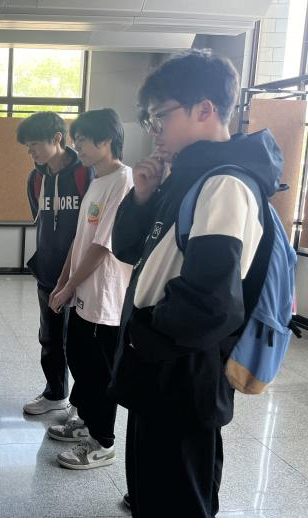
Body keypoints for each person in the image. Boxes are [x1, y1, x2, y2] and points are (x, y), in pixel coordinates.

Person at [109, 49, 283, 517]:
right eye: (150, 119)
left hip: (181, 374)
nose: (154, 129)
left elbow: (210, 304)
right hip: (161, 368)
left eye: (160, 116)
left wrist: (142, 337)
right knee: (155, 488)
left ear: (205, 109)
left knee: (178, 497)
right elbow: (128, 251)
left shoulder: (224, 185)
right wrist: (141, 196)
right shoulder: (184, 176)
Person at [46, 108, 133, 469]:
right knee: (80, 358)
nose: (77, 146)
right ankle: (85, 421)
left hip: (104, 295)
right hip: (84, 289)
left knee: (99, 371)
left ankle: (103, 442)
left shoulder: (123, 182)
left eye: (82, 139)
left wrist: (69, 287)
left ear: (106, 140)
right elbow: (80, 238)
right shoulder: (97, 179)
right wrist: (63, 282)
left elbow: (101, 247)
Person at [17, 111, 93, 415]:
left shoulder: (85, 173)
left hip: (81, 274)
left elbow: (92, 227)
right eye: (28, 147)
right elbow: (40, 220)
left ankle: (82, 402)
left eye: (34, 144)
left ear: (57, 138)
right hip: (48, 272)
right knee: (49, 338)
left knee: (79, 342)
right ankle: (55, 393)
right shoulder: (36, 179)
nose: (31, 152)